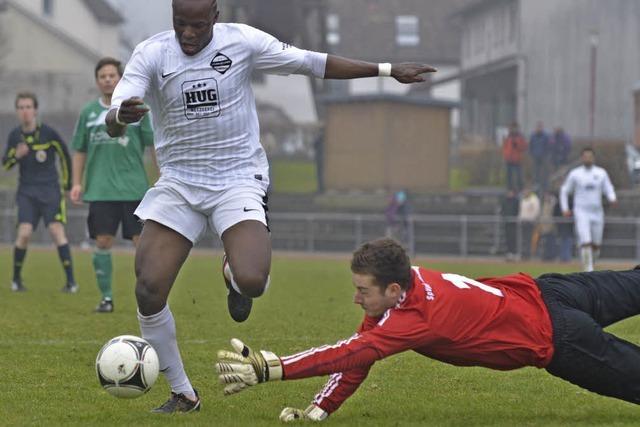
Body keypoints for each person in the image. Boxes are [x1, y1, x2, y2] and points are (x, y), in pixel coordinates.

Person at [105, 0, 436, 413]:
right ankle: (183, 393)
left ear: (216, 18)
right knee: (148, 287)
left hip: (238, 179)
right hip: (180, 184)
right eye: (180, 25)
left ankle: (232, 275)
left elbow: (310, 62)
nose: (188, 34)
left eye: (197, 26)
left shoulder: (242, 43)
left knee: (253, 280)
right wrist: (121, 115)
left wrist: (386, 70)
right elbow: (116, 112)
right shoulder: (152, 53)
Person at [216, 238, 640, 422]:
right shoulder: (407, 281)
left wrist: (274, 369)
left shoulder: (413, 320)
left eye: (363, 290)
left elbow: (351, 353)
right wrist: (320, 409)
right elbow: (360, 356)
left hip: (560, 337)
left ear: (393, 288)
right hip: (549, 290)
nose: (356, 298)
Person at [70, 57, 155, 313]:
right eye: (102, 76)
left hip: (135, 189)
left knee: (143, 245)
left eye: (112, 76)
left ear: (120, 79)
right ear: (97, 81)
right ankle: (106, 298)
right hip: (101, 190)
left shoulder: (137, 110)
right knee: (103, 241)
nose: (107, 79)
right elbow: (79, 149)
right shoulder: (88, 113)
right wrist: (76, 182)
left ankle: (148, 298)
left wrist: (163, 179)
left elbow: (154, 147)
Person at [2, 92, 78, 293]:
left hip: (50, 190)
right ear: (17, 111)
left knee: (56, 230)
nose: (25, 111)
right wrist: (17, 156)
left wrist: (67, 185)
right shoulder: (14, 136)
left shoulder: (48, 133)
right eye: (21, 107)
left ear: (35, 110)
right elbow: (6, 164)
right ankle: (16, 280)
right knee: (24, 233)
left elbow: (65, 156)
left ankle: (71, 282)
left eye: (28, 107)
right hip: (26, 192)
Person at [560, 148, 616, 272]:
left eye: (590, 156)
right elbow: (565, 190)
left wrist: (612, 198)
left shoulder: (601, 173)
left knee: (596, 245)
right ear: (582, 158)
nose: (587, 158)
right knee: (585, 241)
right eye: (585, 156)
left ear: (593, 158)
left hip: (597, 212)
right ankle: (588, 270)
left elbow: (608, 188)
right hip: (581, 212)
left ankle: (590, 265)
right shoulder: (575, 173)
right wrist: (565, 208)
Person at [502, 122, 527, 192]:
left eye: (514, 128)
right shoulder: (508, 137)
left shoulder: (520, 137)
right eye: (512, 128)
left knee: (519, 176)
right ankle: (510, 190)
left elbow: (524, 147)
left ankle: (520, 189)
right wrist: (505, 156)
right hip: (509, 159)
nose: (513, 129)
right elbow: (505, 147)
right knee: (509, 177)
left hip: (517, 159)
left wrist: (517, 144)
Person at [518, 186, 540, 260]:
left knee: (529, 239)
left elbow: (536, 211)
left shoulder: (534, 199)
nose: (525, 192)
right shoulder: (524, 199)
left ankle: (528, 255)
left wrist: (531, 219)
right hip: (523, 221)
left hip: (530, 222)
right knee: (524, 239)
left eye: (526, 190)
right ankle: (524, 254)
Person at [529, 121, 551, 194]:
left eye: (540, 127)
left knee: (545, 172)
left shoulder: (546, 136)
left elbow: (548, 145)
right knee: (536, 172)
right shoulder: (533, 136)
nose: (539, 129)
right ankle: (536, 185)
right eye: (538, 127)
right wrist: (532, 153)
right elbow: (531, 145)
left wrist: (546, 154)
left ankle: (545, 185)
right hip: (535, 156)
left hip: (544, 156)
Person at [501, 189, 520, 261]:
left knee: (513, 238)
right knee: (508, 238)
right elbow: (502, 210)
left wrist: (514, 218)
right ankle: (509, 253)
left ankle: (514, 253)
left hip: (514, 223)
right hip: (507, 223)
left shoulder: (516, 201)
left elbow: (517, 210)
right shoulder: (504, 201)